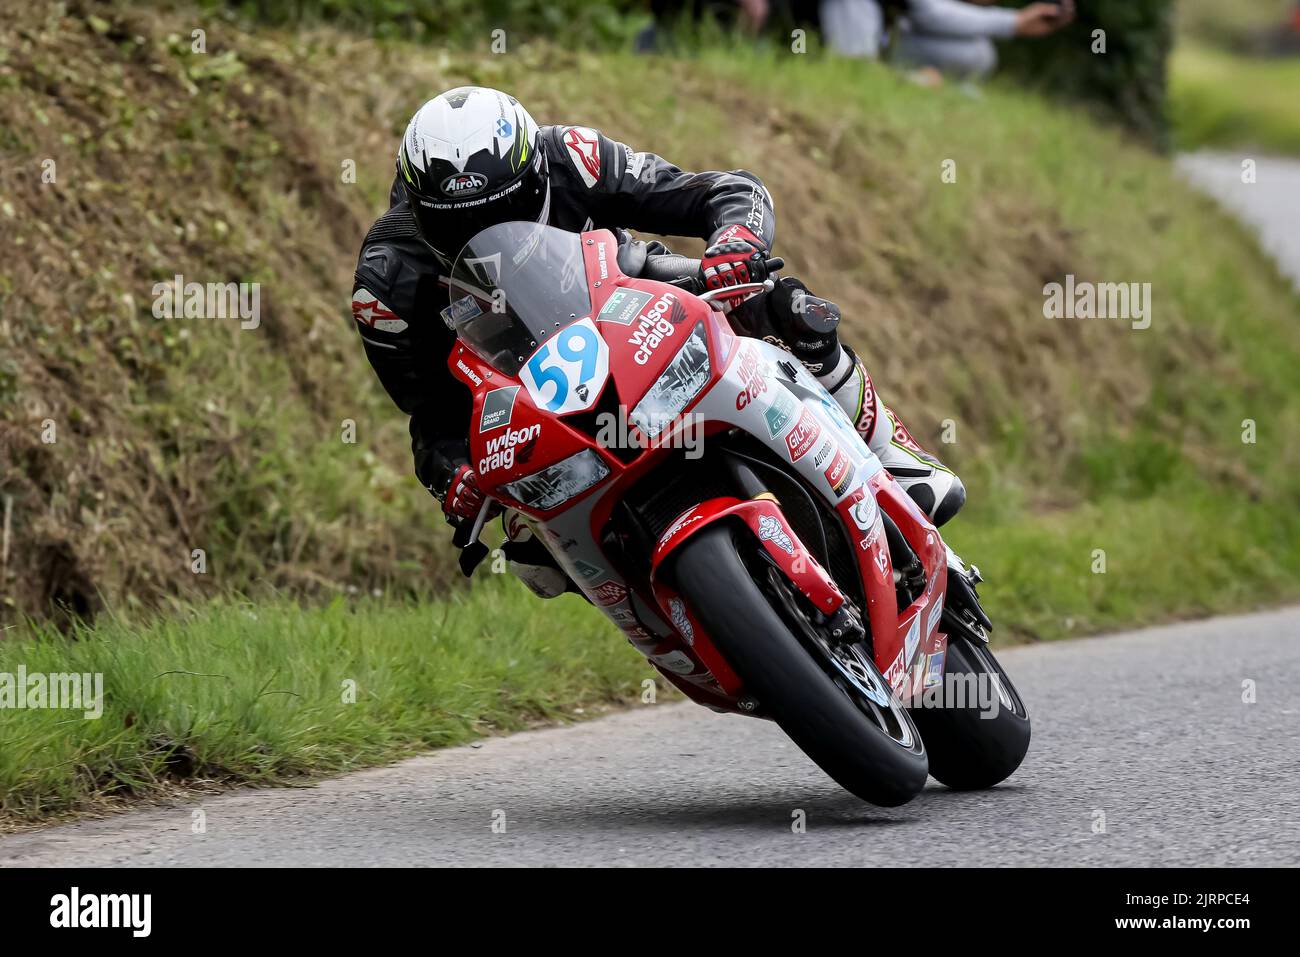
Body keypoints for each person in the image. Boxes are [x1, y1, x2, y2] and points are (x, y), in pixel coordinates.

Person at [350, 86, 964, 596]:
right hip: (524, 386)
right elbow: (430, 415)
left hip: (627, 291)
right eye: (457, 224)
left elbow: (720, 192)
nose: (482, 232)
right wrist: (456, 472)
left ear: (534, 173)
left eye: (501, 209)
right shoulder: (388, 285)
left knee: (781, 307)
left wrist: (734, 242)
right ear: (415, 205)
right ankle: (676, 605)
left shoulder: (574, 157)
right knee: (530, 554)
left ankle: (894, 458)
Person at [888, 0, 1075, 80]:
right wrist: (1014, 22)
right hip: (883, 39)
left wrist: (1014, 22)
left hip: (893, 38)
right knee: (979, 52)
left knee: (981, 52)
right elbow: (927, 13)